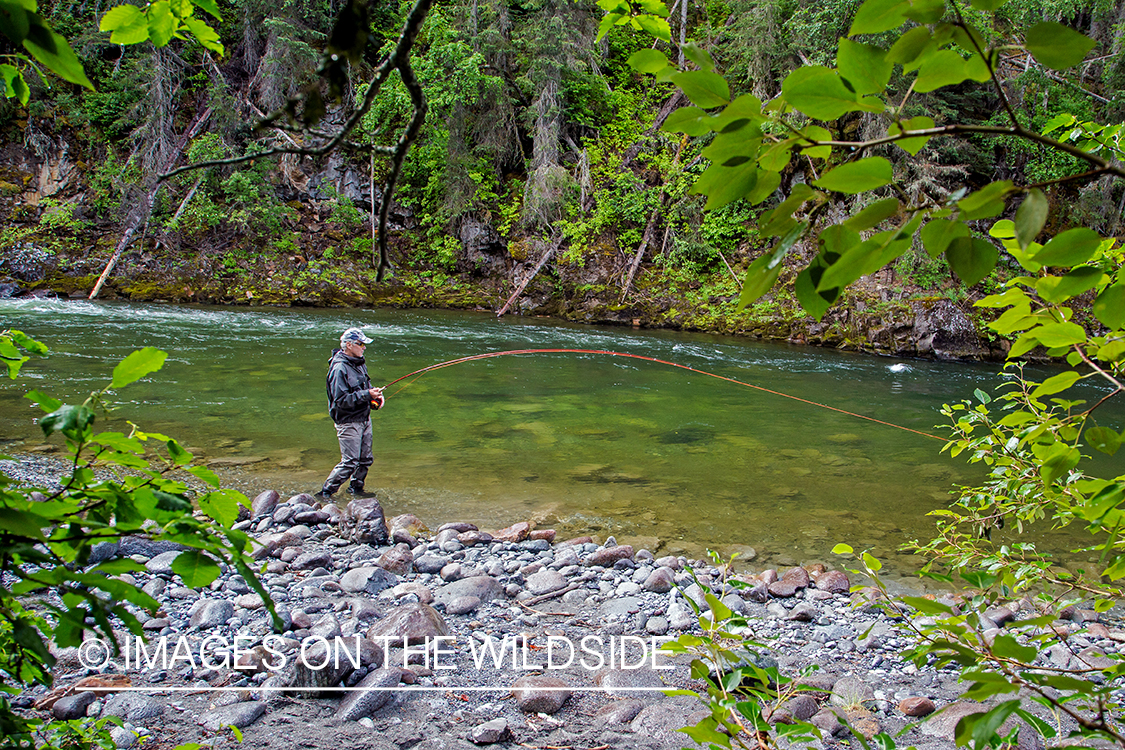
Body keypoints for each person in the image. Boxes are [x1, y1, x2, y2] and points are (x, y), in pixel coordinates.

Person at [317, 327, 385, 498]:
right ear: (348, 345)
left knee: (365, 460)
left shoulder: (359, 363)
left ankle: (356, 490)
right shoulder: (339, 369)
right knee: (350, 462)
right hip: (348, 421)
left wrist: (374, 398)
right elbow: (340, 401)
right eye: (361, 344)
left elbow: (365, 387)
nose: (364, 347)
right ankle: (325, 494)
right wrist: (366, 395)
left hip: (364, 418)